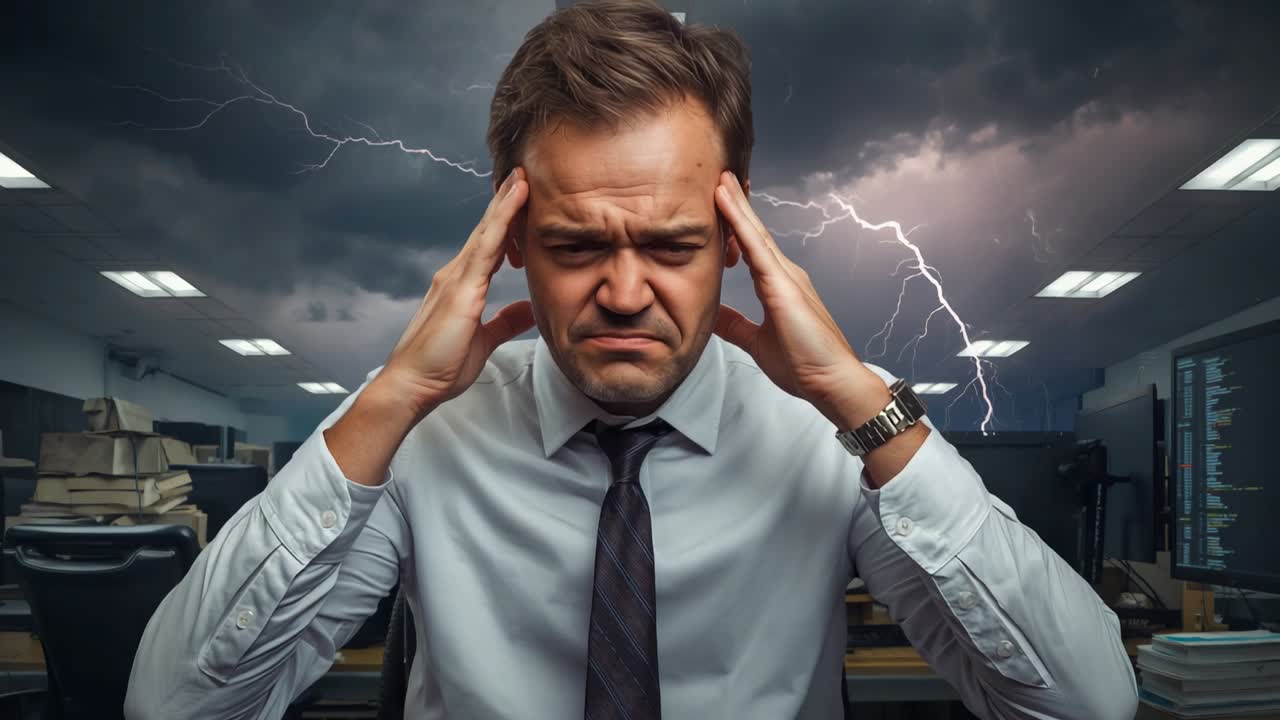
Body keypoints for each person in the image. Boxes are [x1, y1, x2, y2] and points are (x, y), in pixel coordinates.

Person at [125, 1, 1138, 718]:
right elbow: (173, 705)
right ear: (510, 238)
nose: (620, 292)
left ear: (734, 243)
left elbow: (1084, 702)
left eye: (669, 246)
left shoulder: (826, 435)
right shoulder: (422, 429)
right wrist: (391, 396)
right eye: (573, 247)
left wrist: (859, 404)